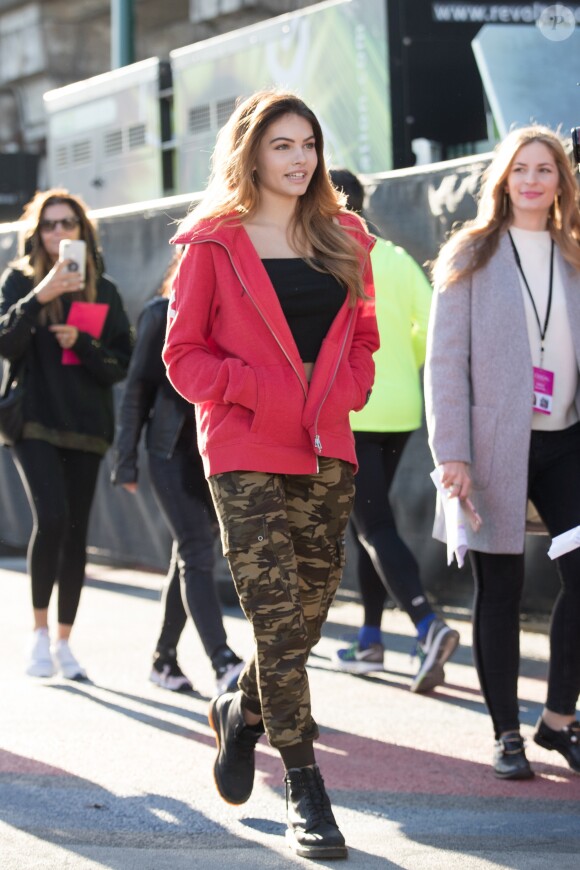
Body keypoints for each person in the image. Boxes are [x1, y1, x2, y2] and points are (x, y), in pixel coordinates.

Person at [162, 90, 379, 860]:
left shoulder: (347, 234)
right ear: (251, 152)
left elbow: (365, 339)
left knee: (311, 609)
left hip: (326, 443)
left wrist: (346, 390)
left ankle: (242, 711)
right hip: (245, 445)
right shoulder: (211, 241)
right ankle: (305, 781)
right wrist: (257, 390)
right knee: (277, 616)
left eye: (309, 144)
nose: (298, 159)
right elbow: (182, 356)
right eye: (282, 144)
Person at [425, 125, 580, 780]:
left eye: (546, 168)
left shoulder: (575, 252)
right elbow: (443, 361)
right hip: (491, 441)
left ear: (561, 181)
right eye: (521, 168)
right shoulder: (472, 251)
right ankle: (505, 732)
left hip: (567, 439)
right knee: (501, 585)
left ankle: (558, 720)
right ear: (502, 178)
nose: (533, 180)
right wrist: (452, 451)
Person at [328, 169, 460, 692]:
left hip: (353, 408)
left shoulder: (326, 258)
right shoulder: (397, 256)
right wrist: (407, 363)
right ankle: (370, 640)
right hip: (402, 407)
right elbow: (433, 326)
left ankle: (428, 625)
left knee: (373, 525)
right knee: (369, 525)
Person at [0, 188, 132, 680]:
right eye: (50, 225)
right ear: (37, 233)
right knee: (51, 519)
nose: (59, 233)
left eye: (68, 224)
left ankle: (64, 641)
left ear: (82, 231)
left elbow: (121, 362)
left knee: (76, 532)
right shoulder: (19, 281)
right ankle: (36, 635)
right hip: (32, 420)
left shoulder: (107, 291)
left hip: (87, 425)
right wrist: (42, 296)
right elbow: (6, 343)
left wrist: (87, 344)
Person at [111, 253, 243, 695]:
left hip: (217, 452)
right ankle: (223, 660)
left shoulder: (236, 312)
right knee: (196, 551)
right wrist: (125, 459)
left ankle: (163, 660)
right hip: (170, 452)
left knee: (189, 555)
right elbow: (137, 391)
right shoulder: (159, 313)